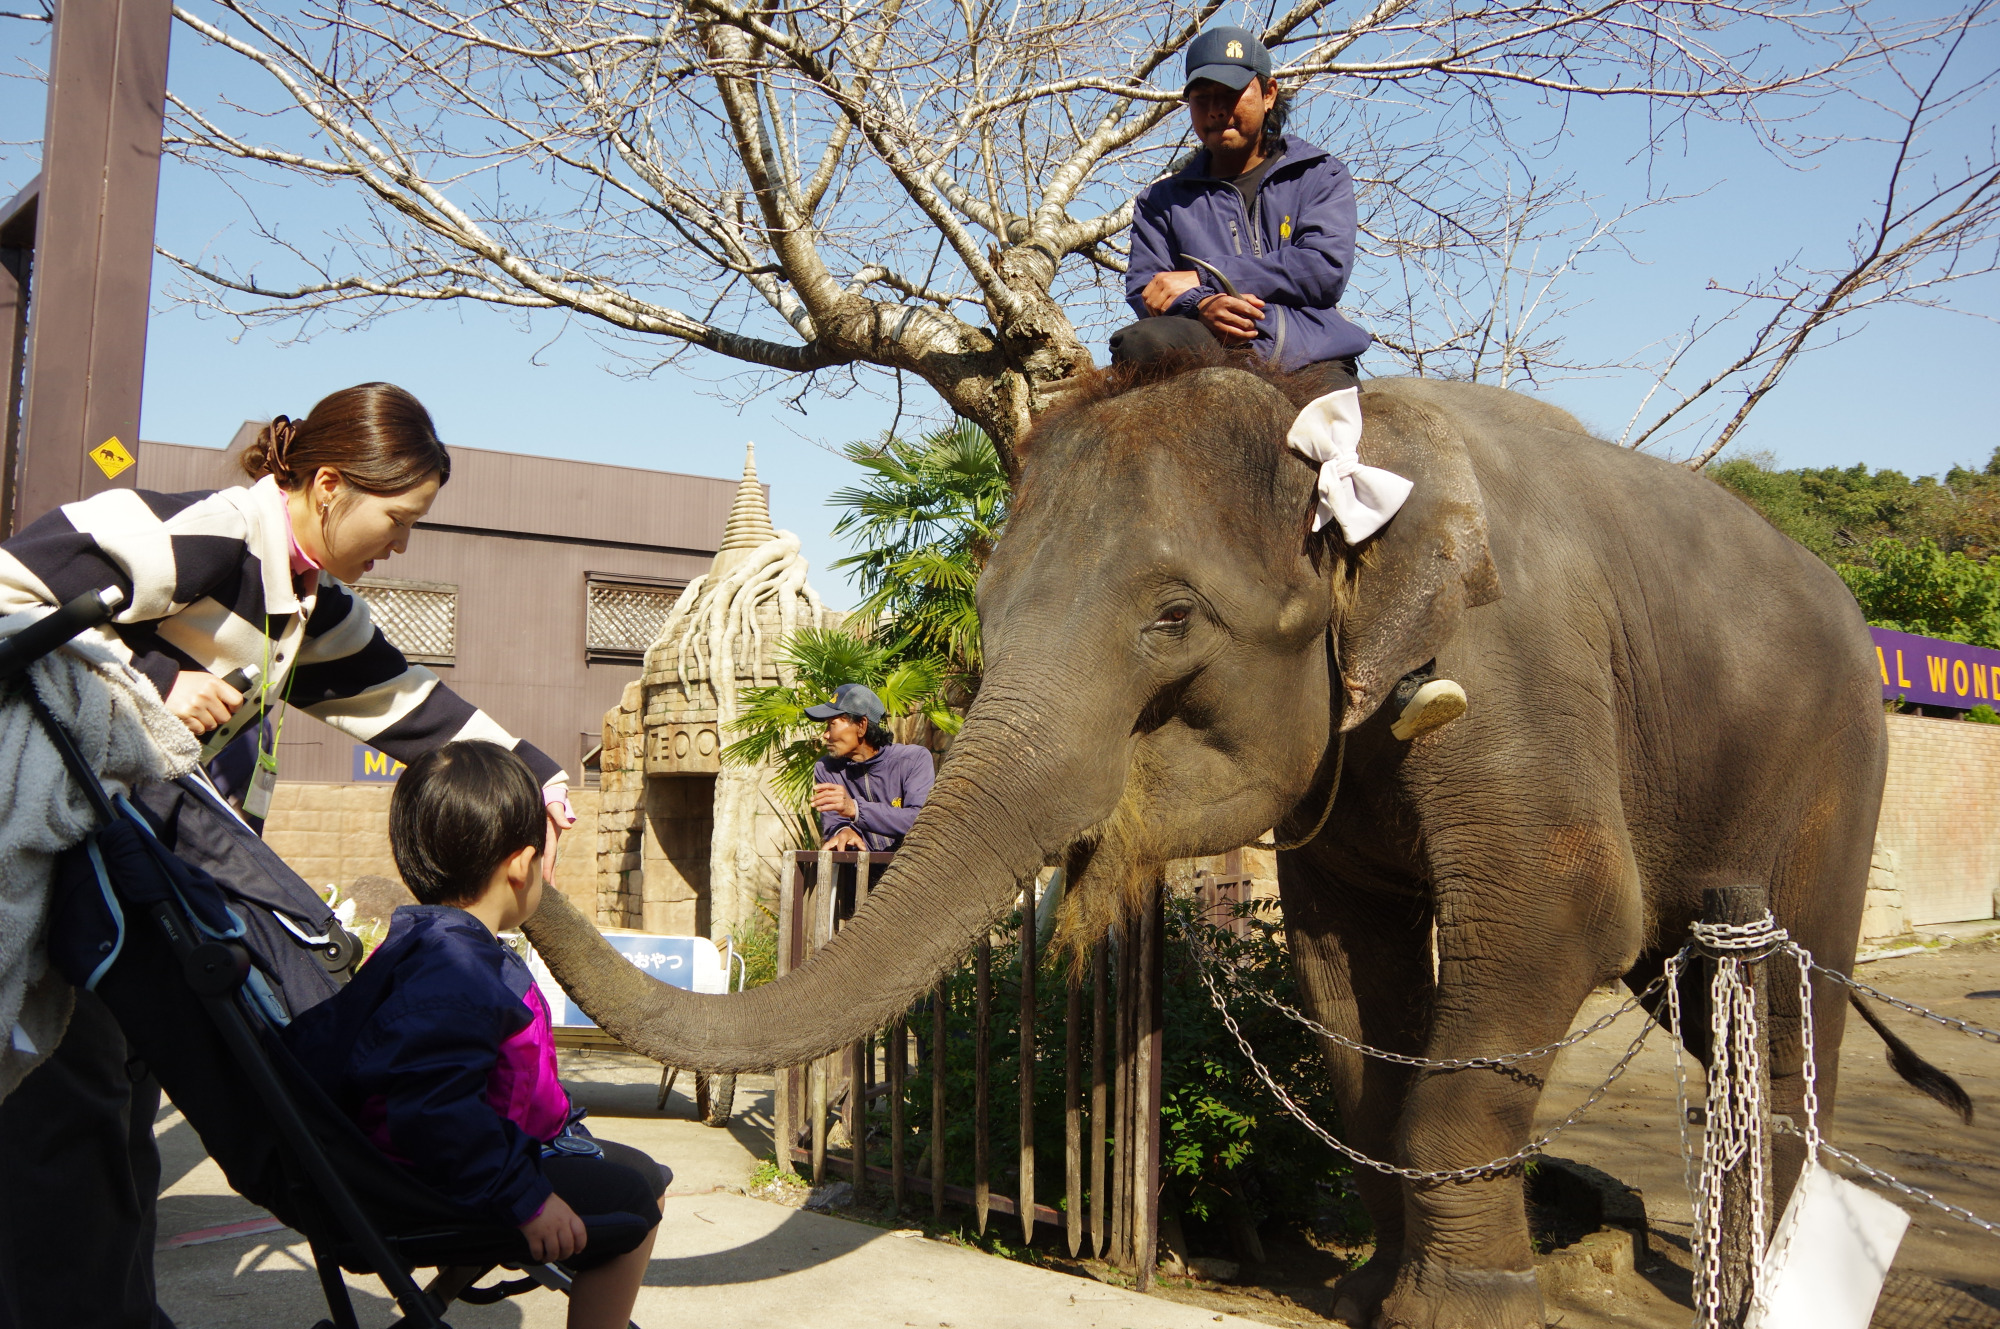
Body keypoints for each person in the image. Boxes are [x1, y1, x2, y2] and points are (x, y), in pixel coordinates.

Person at [0, 382, 576, 1329]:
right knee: (73, 1107)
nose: (402, 543)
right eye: (398, 518)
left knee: (132, 1104)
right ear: (328, 483)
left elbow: (405, 702)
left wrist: (536, 774)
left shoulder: (303, 598)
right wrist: (144, 687)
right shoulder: (203, 536)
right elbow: (14, 593)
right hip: (78, 867)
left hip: (166, 885)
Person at [1113, 27, 1467, 743]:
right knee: (1137, 348)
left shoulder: (1320, 176)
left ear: (1268, 93)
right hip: (1203, 345)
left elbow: (1323, 270)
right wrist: (1199, 304)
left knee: (1355, 477)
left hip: (1302, 352)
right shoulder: (1162, 200)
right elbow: (1145, 289)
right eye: (1201, 98)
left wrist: (1215, 278)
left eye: (1230, 95)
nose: (1215, 111)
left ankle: (1401, 672)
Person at [284, 742, 662, 1329]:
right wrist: (527, 1198)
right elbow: (430, 1103)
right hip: (452, 1180)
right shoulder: (453, 970)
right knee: (637, 1201)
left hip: (474, 1158)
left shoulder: (435, 943)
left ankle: (438, 1307)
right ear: (520, 864)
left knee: (644, 1172)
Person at [806, 683, 934, 852]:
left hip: (910, 871)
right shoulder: (826, 768)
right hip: (859, 872)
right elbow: (835, 823)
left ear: (861, 726)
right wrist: (843, 831)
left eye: (832, 724)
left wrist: (856, 809)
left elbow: (920, 821)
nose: (826, 734)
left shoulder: (913, 759)